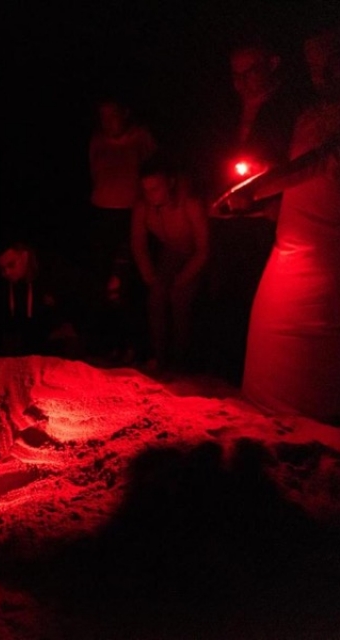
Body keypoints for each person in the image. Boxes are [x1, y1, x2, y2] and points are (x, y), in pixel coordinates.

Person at [216, 18, 340, 424]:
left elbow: (327, 160)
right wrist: (268, 207)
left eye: (332, 62)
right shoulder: (311, 113)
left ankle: (319, 427)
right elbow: (304, 178)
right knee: (270, 357)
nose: (322, 75)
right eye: (313, 67)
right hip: (290, 250)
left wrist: (254, 189)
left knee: (326, 366)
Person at [204, 35, 305, 385]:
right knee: (222, 289)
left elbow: (296, 164)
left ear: (272, 64)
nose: (241, 82)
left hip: (266, 219)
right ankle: (219, 368)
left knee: (256, 294)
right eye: (235, 74)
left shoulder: (290, 110)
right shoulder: (227, 109)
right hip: (228, 215)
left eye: (250, 72)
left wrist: (264, 190)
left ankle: (248, 373)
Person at [85, 93, 157, 360]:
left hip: (131, 214)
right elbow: (94, 172)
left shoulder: (141, 137)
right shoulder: (97, 140)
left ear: (125, 113)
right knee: (101, 279)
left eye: (112, 115)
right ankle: (109, 343)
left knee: (128, 281)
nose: (107, 121)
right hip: (101, 214)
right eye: (103, 116)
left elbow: (154, 171)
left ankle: (136, 346)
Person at [131, 156, 209, 374]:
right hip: (172, 253)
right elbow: (138, 243)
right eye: (146, 190)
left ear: (171, 183)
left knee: (179, 299)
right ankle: (160, 358)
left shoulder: (190, 203)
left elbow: (203, 250)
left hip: (195, 255)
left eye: (155, 189)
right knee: (156, 297)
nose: (150, 195)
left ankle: (180, 362)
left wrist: (182, 279)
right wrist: (148, 274)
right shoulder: (143, 206)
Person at [0, 238, 92, 358]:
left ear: (24, 257)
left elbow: (76, 303)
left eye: (11, 265)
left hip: (58, 344)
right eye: (2, 269)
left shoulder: (52, 271)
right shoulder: (5, 284)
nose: (6, 273)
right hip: (29, 346)